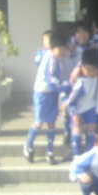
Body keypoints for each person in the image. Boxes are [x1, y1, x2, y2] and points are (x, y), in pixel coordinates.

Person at [24, 33, 69, 165]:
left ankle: (50, 151)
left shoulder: (57, 58)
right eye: (59, 48)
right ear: (52, 48)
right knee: (39, 122)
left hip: (52, 93)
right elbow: (51, 81)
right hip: (42, 93)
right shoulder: (50, 58)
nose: (62, 51)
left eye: (63, 48)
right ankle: (28, 146)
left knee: (51, 123)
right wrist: (67, 85)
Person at [63, 48, 98, 158]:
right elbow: (71, 101)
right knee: (78, 128)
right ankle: (77, 154)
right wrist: (74, 114)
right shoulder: (80, 83)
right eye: (88, 70)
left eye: (94, 70)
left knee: (91, 128)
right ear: (82, 68)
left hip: (91, 107)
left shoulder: (97, 77)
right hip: (78, 110)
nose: (91, 73)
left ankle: (89, 153)